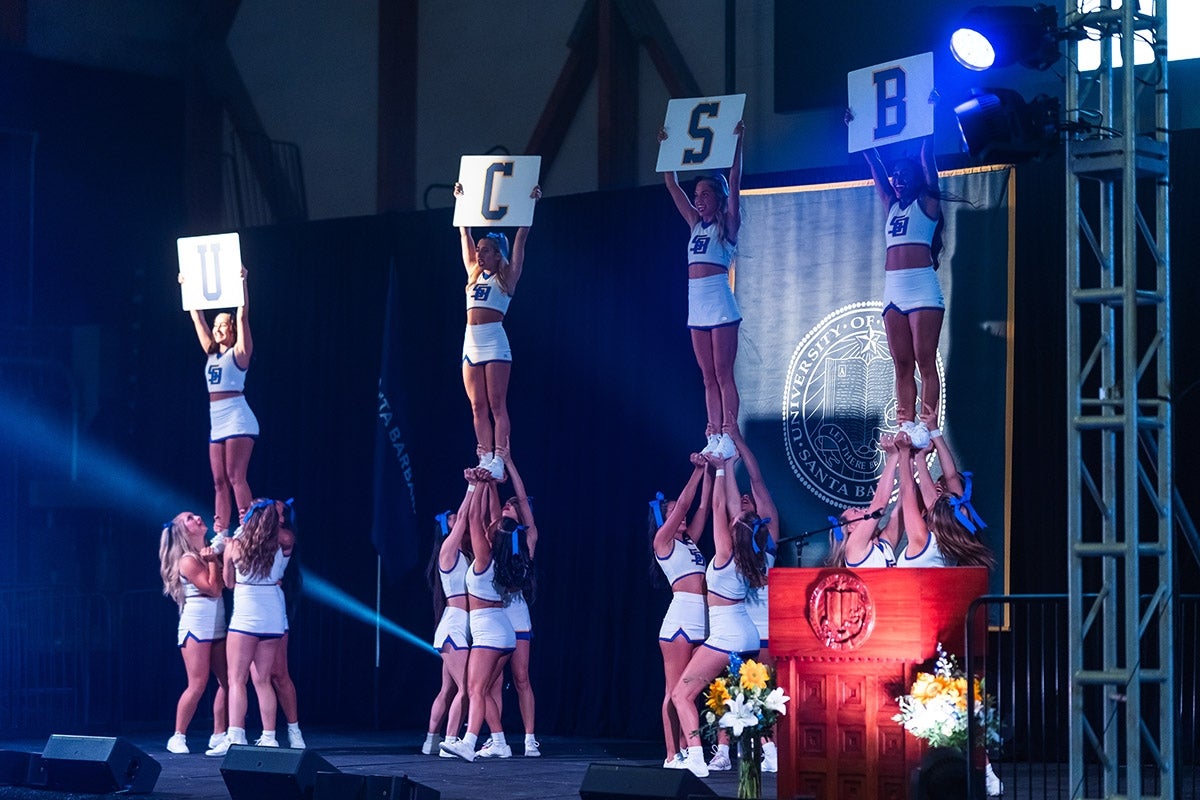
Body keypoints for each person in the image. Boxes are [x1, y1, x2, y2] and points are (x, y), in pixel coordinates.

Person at [669, 451, 767, 778]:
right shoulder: (752, 553)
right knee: (745, 697)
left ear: (736, 530)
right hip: (747, 635)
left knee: (682, 693)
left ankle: (695, 757)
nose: (734, 516)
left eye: (737, 519)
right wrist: (725, 464)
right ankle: (772, 752)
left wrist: (721, 470)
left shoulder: (726, 552)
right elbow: (734, 512)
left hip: (727, 637)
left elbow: (717, 508)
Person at [660, 121, 745, 458]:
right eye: (696, 196)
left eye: (705, 194)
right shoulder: (695, 225)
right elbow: (671, 184)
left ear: (718, 197)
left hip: (721, 306)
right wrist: (667, 148)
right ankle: (714, 433)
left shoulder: (728, 225)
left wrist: (739, 143)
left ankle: (729, 432)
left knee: (724, 374)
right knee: (707, 376)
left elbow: (736, 181)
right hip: (697, 308)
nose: (698, 200)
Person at [861, 131, 945, 447]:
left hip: (922, 289)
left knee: (925, 361)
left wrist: (928, 129)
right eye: (895, 176)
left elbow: (929, 161)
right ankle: (906, 424)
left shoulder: (928, 202)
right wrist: (862, 136)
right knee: (902, 364)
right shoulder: (891, 205)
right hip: (893, 291)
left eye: (903, 175)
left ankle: (927, 425)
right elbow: (875, 166)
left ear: (917, 179)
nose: (897, 180)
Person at [454, 183, 542, 481]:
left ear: (498, 254)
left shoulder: (507, 278)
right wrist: (461, 202)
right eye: (479, 250)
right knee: (477, 405)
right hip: (471, 342)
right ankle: (484, 455)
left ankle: (500, 457)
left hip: (494, 341)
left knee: (495, 404)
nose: (480, 255)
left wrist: (530, 204)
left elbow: (522, 238)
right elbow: (463, 234)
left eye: (486, 251)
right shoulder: (473, 275)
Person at [439, 472, 520, 762]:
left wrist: (476, 485)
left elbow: (473, 518)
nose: (490, 523)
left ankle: (469, 742)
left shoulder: (484, 557)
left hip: (488, 632)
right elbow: (495, 518)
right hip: (503, 632)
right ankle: (499, 742)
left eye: (494, 526)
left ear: (494, 535)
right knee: (482, 691)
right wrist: (490, 485)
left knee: (474, 688)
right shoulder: (505, 555)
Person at [206, 497, 293, 756]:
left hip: (246, 615)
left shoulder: (236, 546)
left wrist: (229, 555)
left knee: (236, 680)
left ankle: (236, 736)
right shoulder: (282, 544)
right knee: (263, 680)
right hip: (273, 616)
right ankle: (269, 737)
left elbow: (229, 584)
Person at [183, 267, 256, 536]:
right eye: (217, 325)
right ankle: (222, 531)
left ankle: (247, 526)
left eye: (223, 324)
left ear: (232, 329)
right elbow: (197, 318)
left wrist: (242, 283)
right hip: (217, 418)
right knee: (218, 480)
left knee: (236, 475)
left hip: (237, 415)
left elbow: (243, 314)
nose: (218, 328)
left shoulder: (240, 352)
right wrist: (187, 286)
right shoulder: (211, 353)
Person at [651, 453, 712, 770]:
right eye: (673, 513)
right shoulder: (663, 541)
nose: (682, 517)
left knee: (692, 691)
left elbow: (701, 507)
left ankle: (692, 749)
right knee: (674, 691)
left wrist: (712, 471)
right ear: (665, 519)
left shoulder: (690, 542)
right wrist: (697, 469)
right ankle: (672, 755)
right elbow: (688, 505)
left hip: (702, 620)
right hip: (678, 623)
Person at [479, 452, 540, 758]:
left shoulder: (529, 536)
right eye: (504, 505)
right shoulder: (494, 535)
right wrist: (490, 480)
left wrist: (511, 464)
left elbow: (523, 502)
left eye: (510, 505)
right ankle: (497, 737)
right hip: (495, 613)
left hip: (516, 614)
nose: (506, 506)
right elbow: (491, 508)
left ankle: (530, 739)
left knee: (521, 678)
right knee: (491, 682)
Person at [159, 512, 229, 755]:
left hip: (217, 621)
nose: (198, 517)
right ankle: (177, 736)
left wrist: (221, 534)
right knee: (197, 683)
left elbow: (223, 538)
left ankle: (219, 734)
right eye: (190, 518)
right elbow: (213, 589)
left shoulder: (208, 550)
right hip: (197, 623)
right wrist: (212, 561)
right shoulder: (188, 560)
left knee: (228, 682)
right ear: (182, 530)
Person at [422, 487, 473, 756]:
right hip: (454, 626)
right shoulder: (447, 550)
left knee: (448, 688)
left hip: (464, 625)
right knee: (467, 687)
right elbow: (466, 515)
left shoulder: (465, 553)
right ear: (445, 527)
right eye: (451, 518)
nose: (457, 517)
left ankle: (431, 740)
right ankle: (450, 741)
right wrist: (473, 487)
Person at [251, 499, 306, 749]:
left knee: (279, 674)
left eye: (276, 508)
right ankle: (265, 732)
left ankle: (294, 731)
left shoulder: (284, 536)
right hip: (250, 609)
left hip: (274, 607)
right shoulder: (253, 533)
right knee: (258, 675)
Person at [896, 433, 996, 569]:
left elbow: (908, 490)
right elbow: (950, 480)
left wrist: (904, 451)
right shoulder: (955, 546)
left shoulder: (923, 540)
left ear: (933, 518)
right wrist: (920, 457)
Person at [827, 433, 902, 568]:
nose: (865, 509)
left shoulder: (884, 544)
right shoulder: (854, 547)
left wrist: (907, 456)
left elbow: (902, 509)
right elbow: (879, 503)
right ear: (850, 527)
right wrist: (893, 456)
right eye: (856, 511)